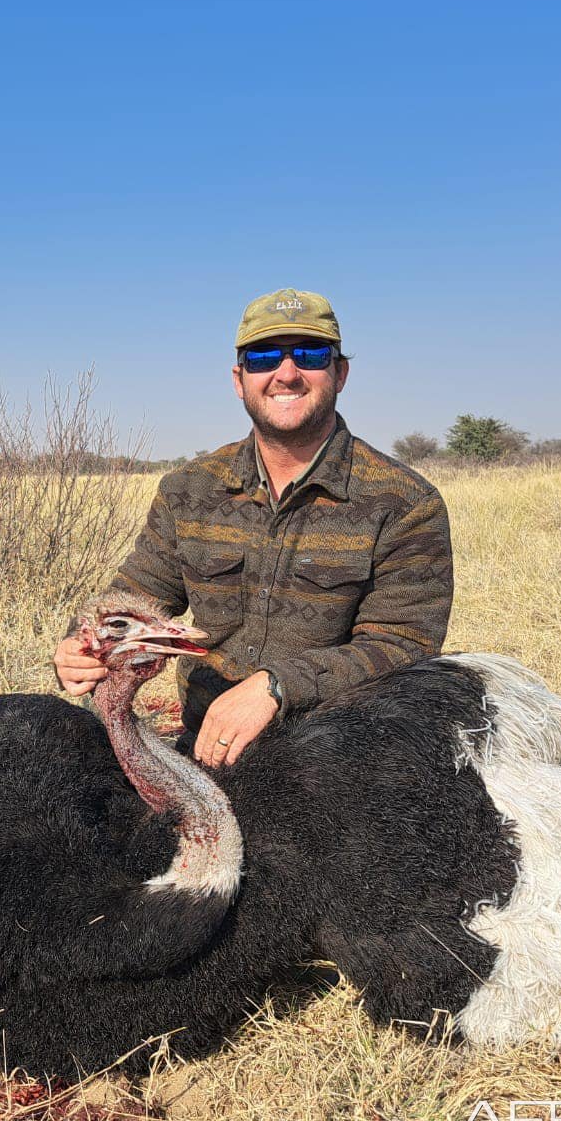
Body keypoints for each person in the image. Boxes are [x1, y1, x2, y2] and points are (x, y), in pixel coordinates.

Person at [53, 287, 453, 768]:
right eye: (264, 357)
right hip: (205, 747)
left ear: (340, 373)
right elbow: (134, 597)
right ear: (239, 380)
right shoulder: (189, 489)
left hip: (337, 757)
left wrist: (276, 687)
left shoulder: (404, 501)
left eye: (308, 354)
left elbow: (403, 644)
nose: (286, 373)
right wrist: (82, 642)